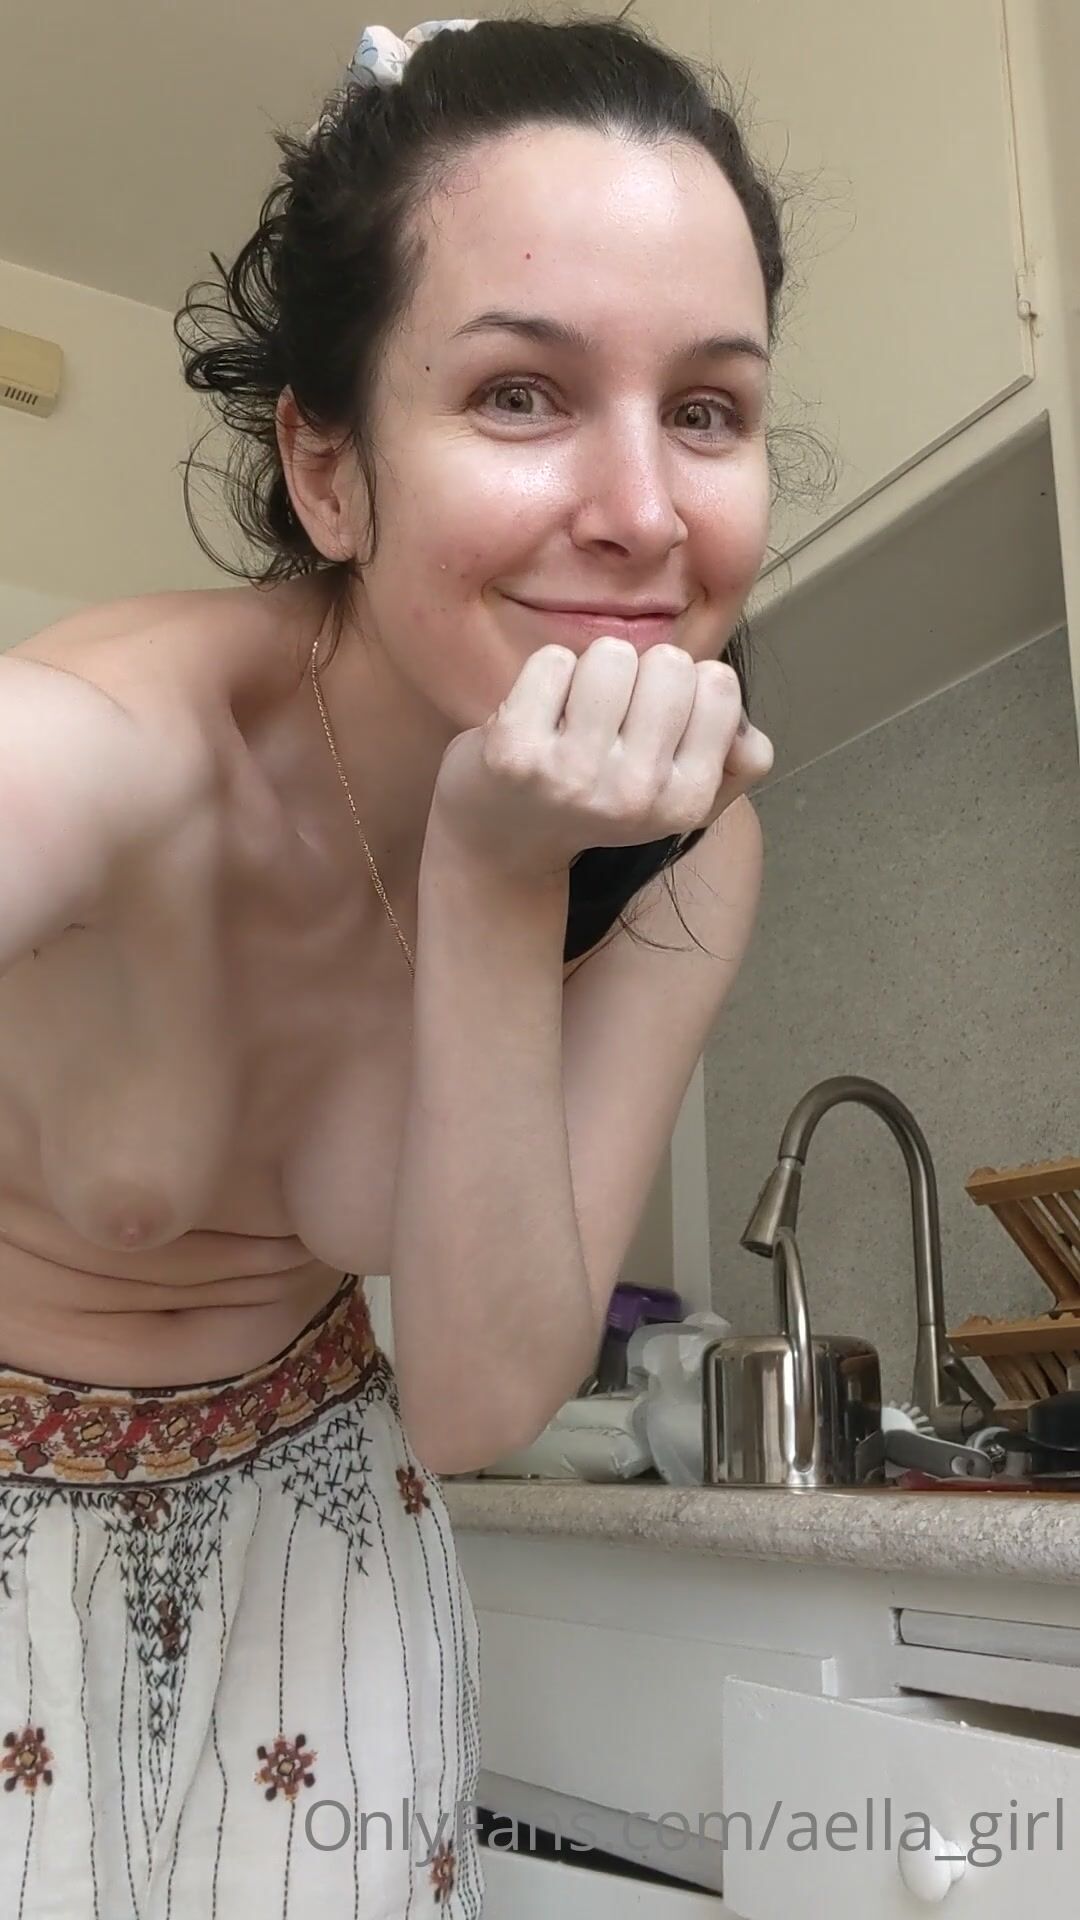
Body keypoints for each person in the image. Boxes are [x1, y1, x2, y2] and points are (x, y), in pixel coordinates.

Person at [0, 9, 781, 1913]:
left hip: (330, 1544)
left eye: (707, 410)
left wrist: (500, 886)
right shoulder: (106, 754)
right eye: (521, 393)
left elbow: (478, 1400)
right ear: (329, 470)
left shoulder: (689, 841)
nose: (644, 511)